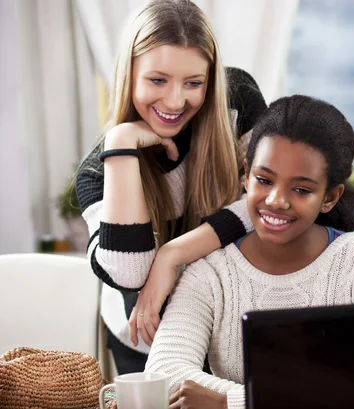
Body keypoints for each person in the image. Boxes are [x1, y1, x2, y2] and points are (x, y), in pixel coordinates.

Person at [145, 95, 354, 409]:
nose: (276, 200)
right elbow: (166, 371)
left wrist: (229, 402)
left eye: (301, 189)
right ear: (246, 175)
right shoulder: (211, 271)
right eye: (264, 180)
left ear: (330, 197)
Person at [75, 0, 266, 375]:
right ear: (129, 74)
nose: (176, 101)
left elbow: (268, 201)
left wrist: (171, 255)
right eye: (157, 80)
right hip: (146, 336)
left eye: (193, 83)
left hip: (225, 327)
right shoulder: (98, 172)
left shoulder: (236, 100)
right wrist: (122, 141)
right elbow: (129, 273)